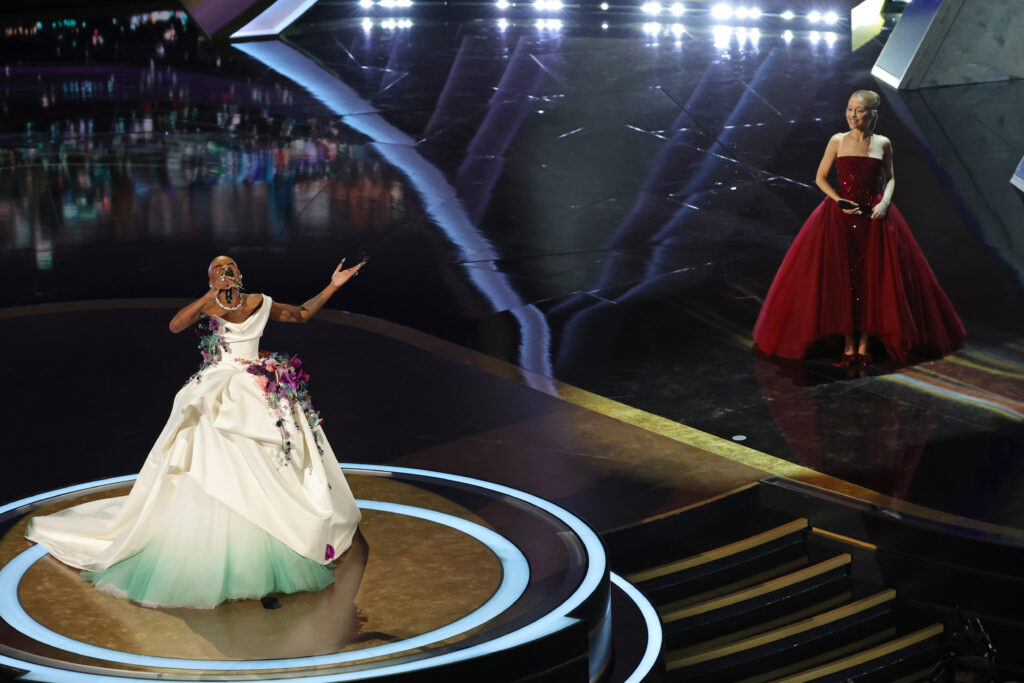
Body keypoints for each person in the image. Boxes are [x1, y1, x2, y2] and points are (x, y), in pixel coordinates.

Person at [25, 256, 366, 609]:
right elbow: (175, 325)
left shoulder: (259, 302)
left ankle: (276, 533)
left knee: (271, 460)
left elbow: (301, 314)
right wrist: (210, 297)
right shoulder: (210, 305)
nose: (225, 270)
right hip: (219, 388)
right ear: (209, 278)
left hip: (257, 385)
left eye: (229, 265)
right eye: (217, 269)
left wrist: (333, 285)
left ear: (240, 272)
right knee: (209, 451)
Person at [752, 90, 965, 366]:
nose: (852, 115)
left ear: (873, 114)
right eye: (849, 109)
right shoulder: (837, 140)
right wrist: (839, 201)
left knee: (872, 279)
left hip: (874, 217)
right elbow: (820, 177)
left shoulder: (883, 143)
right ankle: (849, 343)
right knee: (843, 279)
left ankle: (864, 343)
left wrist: (886, 202)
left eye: (859, 110)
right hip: (839, 216)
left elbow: (890, 179)